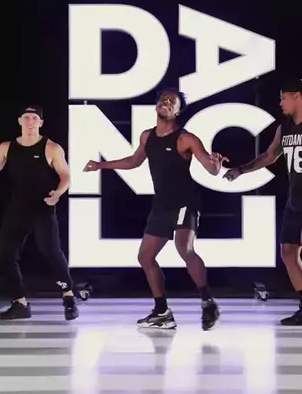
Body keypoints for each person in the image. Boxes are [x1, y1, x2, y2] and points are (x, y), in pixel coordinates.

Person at [83, 88, 227, 331]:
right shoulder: (147, 136)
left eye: (172, 101)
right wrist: (101, 165)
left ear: (178, 111)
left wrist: (215, 165)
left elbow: (210, 168)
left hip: (185, 202)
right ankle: (162, 312)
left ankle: (208, 302)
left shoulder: (186, 139)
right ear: (156, 105)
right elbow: (134, 161)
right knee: (145, 257)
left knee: (184, 248)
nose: (166, 102)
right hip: (162, 205)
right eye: (163, 99)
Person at [224, 79, 302, 325]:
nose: (280, 103)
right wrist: (241, 170)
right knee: (288, 252)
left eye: (283, 97)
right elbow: (270, 156)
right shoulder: (284, 128)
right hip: (296, 196)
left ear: (297, 96)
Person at [0, 106, 79, 321]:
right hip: (18, 209)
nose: (30, 122)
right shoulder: (6, 147)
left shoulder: (52, 148)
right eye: (26, 117)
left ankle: (68, 297)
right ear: (19, 121)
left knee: (51, 252)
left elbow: (65, 176)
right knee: (5, 256)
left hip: (43, 208)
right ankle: (20, 303)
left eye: (34, 118)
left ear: (40, 123)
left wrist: (58, 193)